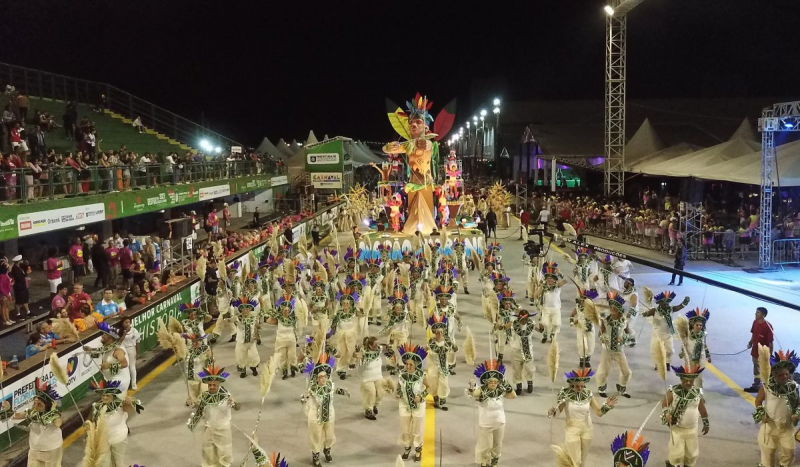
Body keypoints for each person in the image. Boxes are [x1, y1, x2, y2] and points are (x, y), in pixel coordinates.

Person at [548, 368, 616, 466]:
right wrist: (552, 411)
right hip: (572, 429)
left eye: (582, 386)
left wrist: (607, 406)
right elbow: (558, 410)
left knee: (582, 461)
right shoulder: (566, 394)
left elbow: (598, 412)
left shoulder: (588, 394)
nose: (580, 388)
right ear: (572, 385)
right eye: (577, 386)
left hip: (587, 429)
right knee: (577, 461)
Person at [752, 349, 800, 467]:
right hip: (770, 427)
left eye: (786, 374)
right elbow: (758, 401)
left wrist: (797, 414)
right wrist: (761, 414)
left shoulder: (793, 387)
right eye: (781, 375)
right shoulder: (767, 387)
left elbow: (798, 404)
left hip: (787, 428)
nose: (784, 377)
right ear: (774, 375)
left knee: (789, 453)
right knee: (767, 456)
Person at [301, 353, 350, 467]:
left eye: (324, 376)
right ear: (317, 378)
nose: (323, 378)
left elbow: (335, 389)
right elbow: (304, 397)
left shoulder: (330, 385)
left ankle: (327, 449)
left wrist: (344, 392)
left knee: (329, 435)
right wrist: (303, 398)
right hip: (316, 415)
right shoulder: (312, 388)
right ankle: (316, 456)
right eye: (320, 377)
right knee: (316, 436)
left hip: (329, 414)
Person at [466, 359, 516, 467]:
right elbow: (474, 394)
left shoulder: (500, 391)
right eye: (490, 381)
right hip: (486, 423)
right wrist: (471, 388)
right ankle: (484, 462)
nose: (493, 383)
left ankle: (494, 462)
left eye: (495, 381)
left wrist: (508, 386)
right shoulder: (481, 391)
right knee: (486, 445)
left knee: (497, 445)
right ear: (486, 381)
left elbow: (513, 396)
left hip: (500, 422)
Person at [188, 366, 240, 467]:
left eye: (214, 385)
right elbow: (198, 407)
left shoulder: (226, 395)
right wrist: (190, 403)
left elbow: (238, 407)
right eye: (210, 385)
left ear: (218, 384)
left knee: (224, 453)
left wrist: (233, 403)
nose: (212, 387)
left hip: (223, 429)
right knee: (208, 452)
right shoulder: (204, 395)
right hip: (209, 428)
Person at [3, 379, 63, 466]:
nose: (35, 406)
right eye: (34, 403)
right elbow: (16, 416)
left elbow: (58, 423)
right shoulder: (31, 412)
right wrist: (8, 409)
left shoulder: (54, 413)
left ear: (46, 404)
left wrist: (52, 412)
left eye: (39, 404)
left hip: (52, 450)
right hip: (34, 450)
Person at [661, 365, 709, 467]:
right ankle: (672, 464)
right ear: (681, 379)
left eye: (690, 380)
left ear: (693, 380)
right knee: (676, 454)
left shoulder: (697, 393)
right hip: (677, 429)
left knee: (691, 454)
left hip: (692, 429)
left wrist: (706, 423)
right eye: (685, 380)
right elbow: (665, 404)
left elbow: (701, 408)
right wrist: (667, 414)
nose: (687, 383)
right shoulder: (673, 391)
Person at [89, 379, 142, 467]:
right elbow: (91, 419)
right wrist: (88, 428)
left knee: (118, 464)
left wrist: (130, 402)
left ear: (113, 396)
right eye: (103, 395)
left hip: (119, 439)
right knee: (104, 464)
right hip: (103, 441)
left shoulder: (120, 404)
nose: (105, 397)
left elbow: (132, 408)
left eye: (108, 396)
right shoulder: (97, 406)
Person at [642, 290, 690, 374]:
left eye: (668, 303)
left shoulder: (671, 309)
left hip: (668, 334)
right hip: (657, 334)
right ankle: (658, 364)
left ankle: (667, 362)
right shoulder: (654, 310)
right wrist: (645, 313)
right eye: (665, 303)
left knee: (670, 350)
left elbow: (679, 306)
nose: (667, 305)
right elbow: (646, 314)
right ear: (661, 304)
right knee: (656, 350)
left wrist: (684, 302)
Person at [596, 292, 633, 398]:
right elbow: (600, 333)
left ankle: (622, 387)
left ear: (619, 310)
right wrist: (602, 338)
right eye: (611, 307)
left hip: (619, 350)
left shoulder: (624, 321)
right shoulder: (605, 320)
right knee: (603, 370)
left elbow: (628, 333)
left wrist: (624, 339)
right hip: (607, 350)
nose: (612, 310)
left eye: (614, 308)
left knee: (626, 371)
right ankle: (601, 388)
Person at [396, 343, 429, 462]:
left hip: (418, 406)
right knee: (405, 427)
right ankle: (407, 447)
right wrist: (398, 392)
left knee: (417, 428)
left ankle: (418, 449)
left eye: (411, 364)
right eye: (407, 364)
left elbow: (429, 387)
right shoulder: (402, 374)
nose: (408, 366)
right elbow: (399, 386)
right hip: (404, 404)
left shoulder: (421, 375)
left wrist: (421, 396)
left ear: (416, 364)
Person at [84, 323, 130, 397]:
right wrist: (90, 350)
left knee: (115, 404)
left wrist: (109, 366)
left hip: (120, 382)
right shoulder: (107, 348)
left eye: (104, 335)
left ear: (110, 338)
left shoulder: (118, 350)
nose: (102, 336)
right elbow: (101, 351)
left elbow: (125, 364)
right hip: (111, 380)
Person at [426, 315, 457, 411]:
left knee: (443, 382)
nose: (439, 334)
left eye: (441, 332)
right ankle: (436, 399)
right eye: (437, 332)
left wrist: (455, 348)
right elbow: (425, 349)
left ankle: (443, 401)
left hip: (444, 366)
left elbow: (453, 349)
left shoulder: (448, 341)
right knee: (433, 382)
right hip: (433, 365)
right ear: (435, 332)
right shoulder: (431, 342)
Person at [266, 294, 297, 380]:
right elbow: (268, 321)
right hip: (281, 340)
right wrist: (274, 315)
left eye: (288, 310)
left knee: (292, 355)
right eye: (284, 310)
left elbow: (297, 328)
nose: (286, 312)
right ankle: (284, 372)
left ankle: (292, 368)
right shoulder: (278, 318)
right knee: (282, 356)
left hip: (291, 340)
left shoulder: (293, 319)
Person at [744, 306, 774, 393]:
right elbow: (754, 334)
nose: (755, 314)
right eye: (756, 312)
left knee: (760, 368)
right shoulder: (755, 322)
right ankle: (757, 384)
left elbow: (770, 342)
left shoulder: (768, 327)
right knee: (756, 367)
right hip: (754, 349)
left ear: (763, 315)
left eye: (758, 312)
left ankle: (758, 385)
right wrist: (750, 343)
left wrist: (770, 355)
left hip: (763, 352)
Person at [536, 262, 567, 343]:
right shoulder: (543, 287)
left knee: (556, 324)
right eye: (548, 278)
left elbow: (565, 281)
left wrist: (559, 273)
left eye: (551, 279)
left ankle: (553, 334)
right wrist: (541, 287)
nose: (549, 280)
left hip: (556, 308)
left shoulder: (557, 287)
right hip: (546, 308)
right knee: (545, 323)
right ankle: (545, 334)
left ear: (554, 280)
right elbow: (535, 294)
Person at [231, 298, 260, 378]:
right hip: (241, 341)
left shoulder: (253, 318)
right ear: (241, 310)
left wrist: (258, 335)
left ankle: (253, 368)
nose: (245, 311)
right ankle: (243, 370)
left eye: (247, 309)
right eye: (243, 309)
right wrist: (229, 317)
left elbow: (258, 327)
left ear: (250, 310)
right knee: (240, 356)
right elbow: (231, 320)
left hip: (251, 342)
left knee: (254, 356)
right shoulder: (238, 318)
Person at [119, 317, 141, 390]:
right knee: (125, 368)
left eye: (129, 322)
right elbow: (119, 341)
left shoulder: (134, 330)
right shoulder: (119, 331)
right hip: (123, 350)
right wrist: (125, 332)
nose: (128, 324)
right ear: (122, 323)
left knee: (132, 367)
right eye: (126, 322)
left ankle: (134, 384)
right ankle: (126, 384)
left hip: (132, 348)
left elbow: (138, 341)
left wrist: (137, 352)